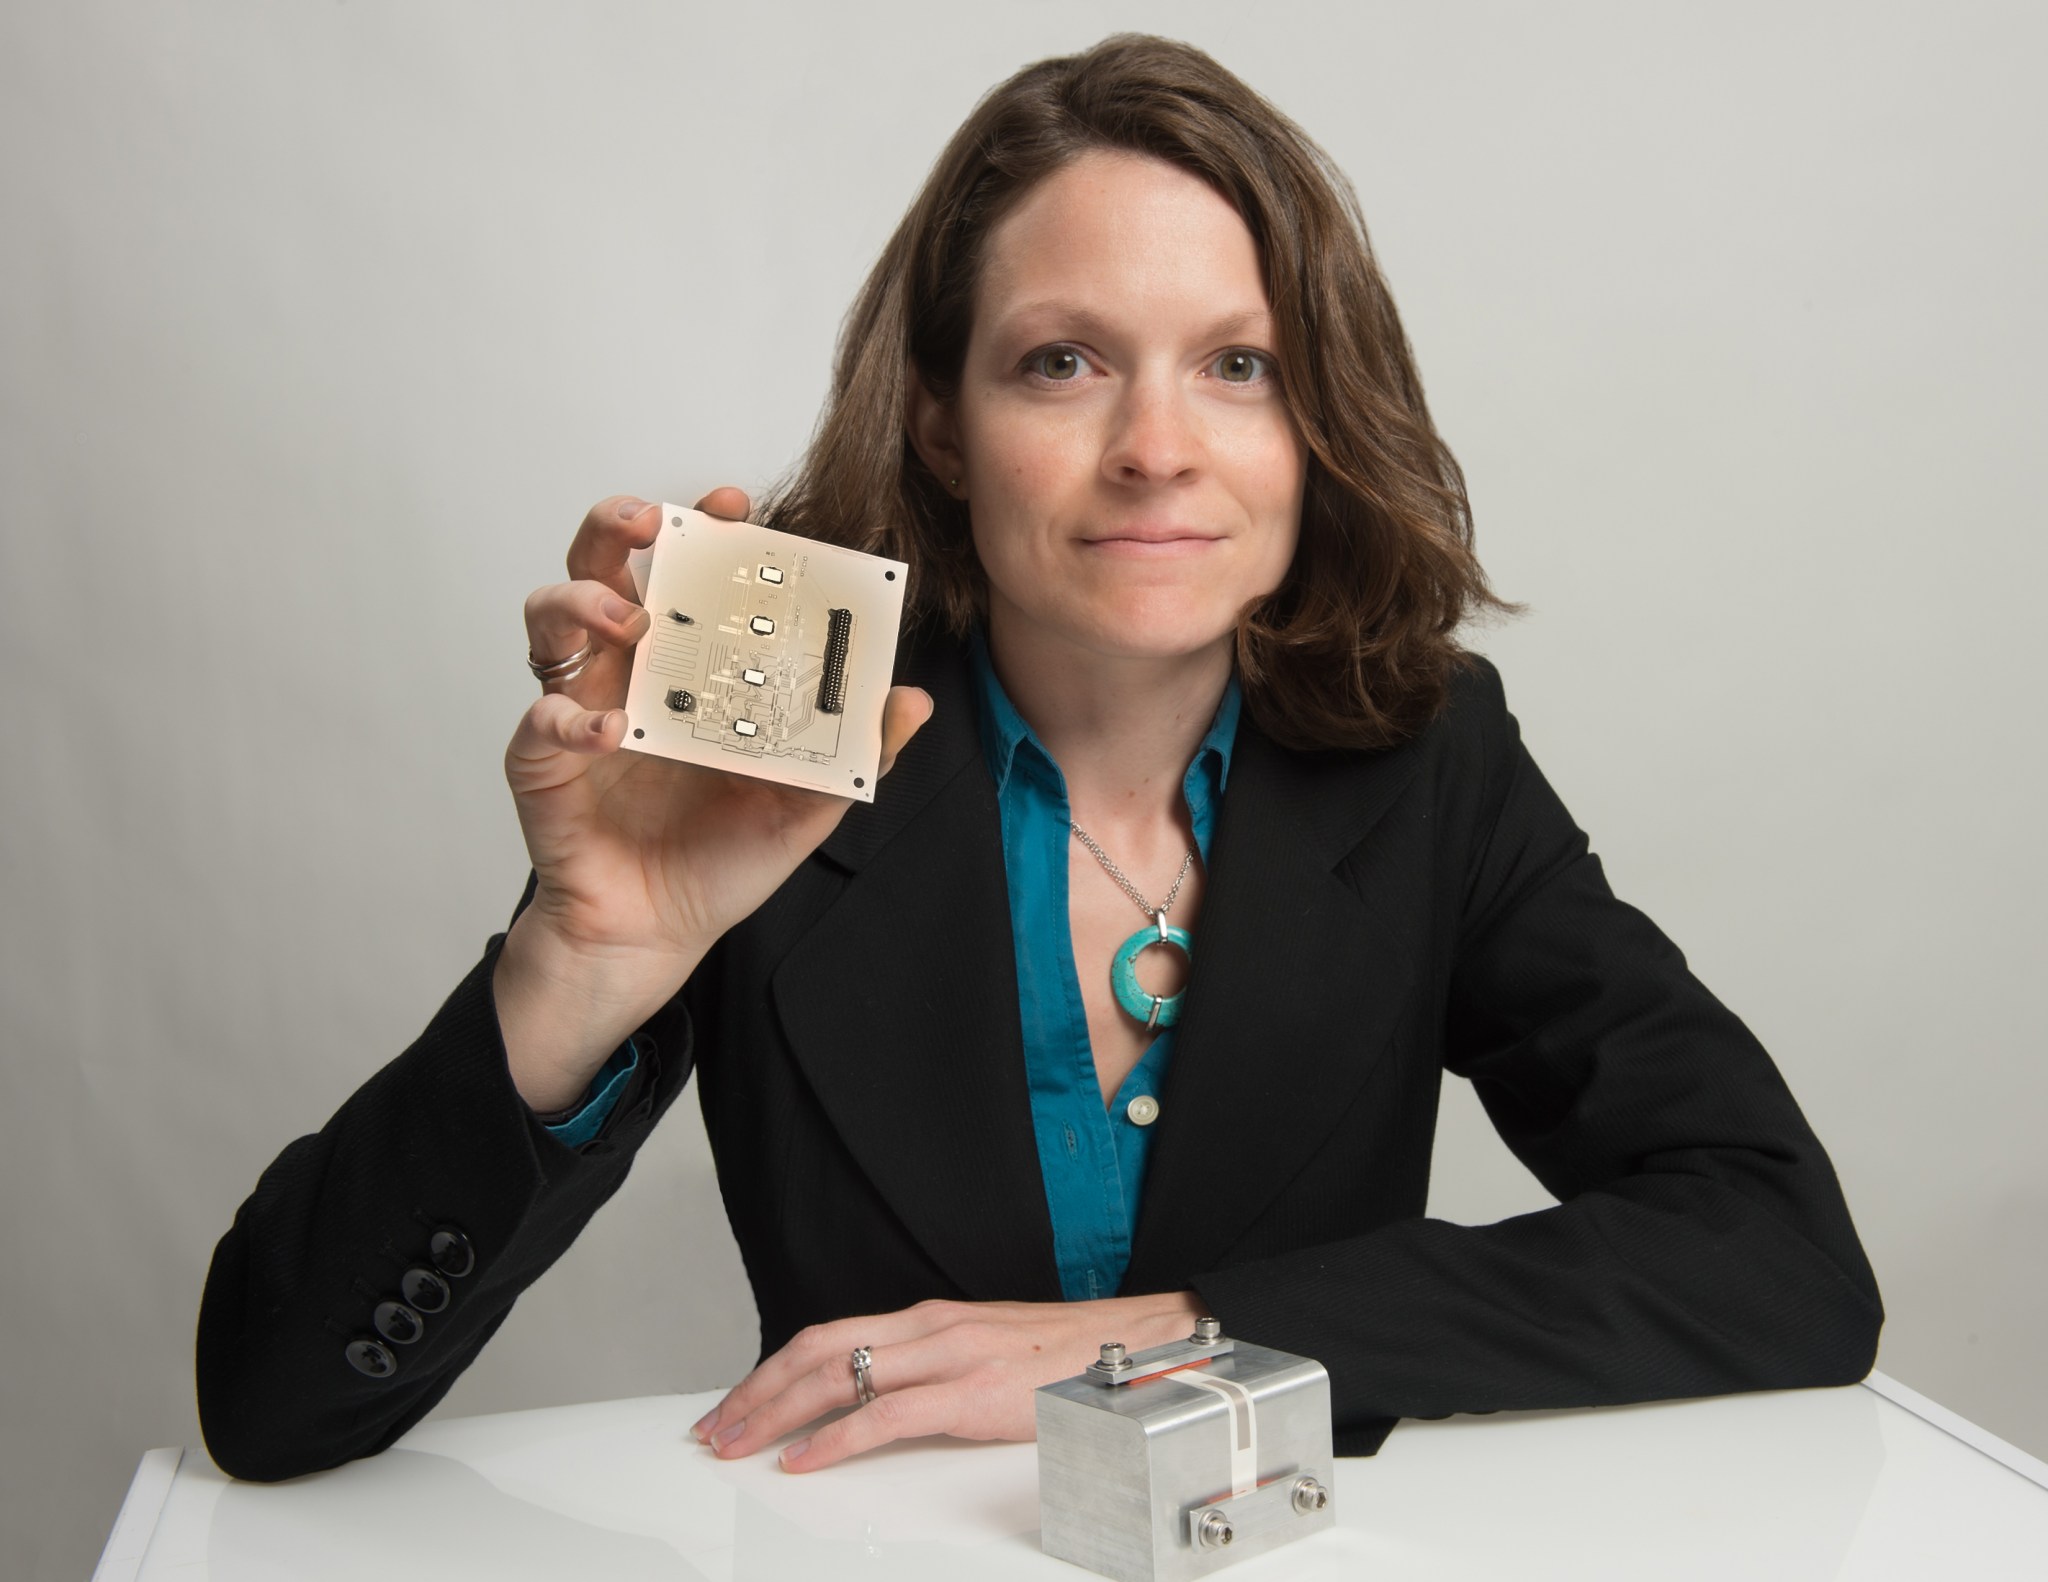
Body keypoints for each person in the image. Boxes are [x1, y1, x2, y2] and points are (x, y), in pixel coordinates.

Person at [195, 34, 1881, 1483]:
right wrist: (581, 966)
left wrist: (1186, 1335)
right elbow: (271, 1402)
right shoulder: (780, 753)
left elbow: (1781, 1250)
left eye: (1241, 366)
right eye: (1062, 362)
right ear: (941, 416)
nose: (1158, 449)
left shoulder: (1427, 756)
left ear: (1315, 424)